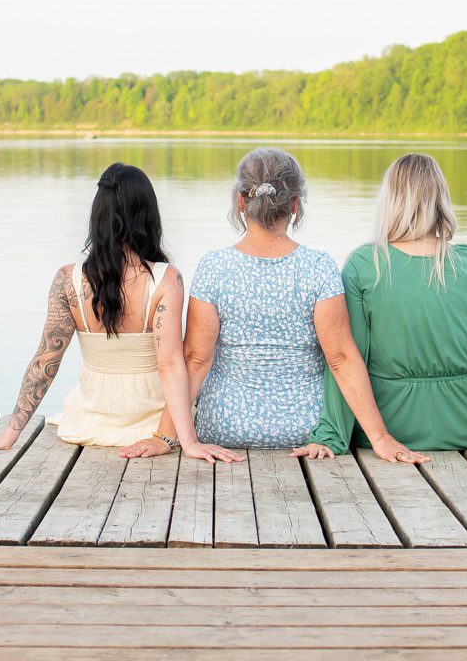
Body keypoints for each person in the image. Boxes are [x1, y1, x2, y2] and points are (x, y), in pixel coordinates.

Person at [126, 147, 423, 463]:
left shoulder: (214, 266)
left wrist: (164, 436)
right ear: (294, 205)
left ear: (241, 202)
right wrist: (380, 437)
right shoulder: (318, 267)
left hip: (226, 426)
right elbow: (341, 359)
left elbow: (196, 359)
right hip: (305, 429)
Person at [0, 162, 241, 462]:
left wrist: (8, 435)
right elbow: (169, 364)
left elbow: (46, 360)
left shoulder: (68, 279)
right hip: (151, 427)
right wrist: (188, 441)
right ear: (149, 214)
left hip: (89, 423)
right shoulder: (166, 279)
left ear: (97, 216)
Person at [305, 152, 467, 466]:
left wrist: (330, 435)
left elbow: (348, 358)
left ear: (390, 200)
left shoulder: (365, 265)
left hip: (391, 427)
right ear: (441, 199)